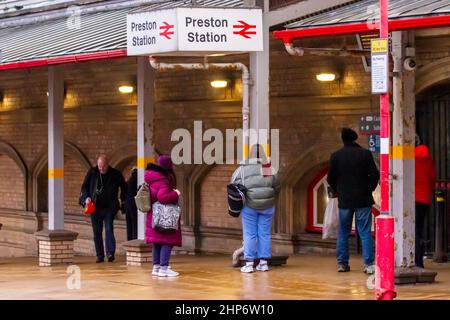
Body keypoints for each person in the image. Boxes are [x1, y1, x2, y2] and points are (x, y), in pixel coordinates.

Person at [327, 128, 379, 274]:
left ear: (343, 140)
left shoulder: (336, 156)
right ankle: (369, 265)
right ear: (355, 139)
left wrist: (339, 191)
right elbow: (375, 175)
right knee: (365, 231)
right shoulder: (365, 154)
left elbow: (330, 178)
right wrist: (369, 189)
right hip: (363, 199)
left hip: (345, 200)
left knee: (343, 231)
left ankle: (342, 263)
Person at [230, 144, 281, 273]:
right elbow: (277, 185)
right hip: (268, 206)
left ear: (249, 155)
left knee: (250, 234)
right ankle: (263, 264)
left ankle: (249, 264)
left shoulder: (242, 170)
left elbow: (233, 185)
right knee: (264, 234)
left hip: (249, 206)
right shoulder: (268, 168)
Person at [80, 154, 127, 263]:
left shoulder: (115, 174)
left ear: (107, 164)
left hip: (109, 207)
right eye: (99, 166)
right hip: (95, 207)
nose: (101, 168)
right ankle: (99, 255)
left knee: (108, 229)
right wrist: (87, 197)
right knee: (97, 232)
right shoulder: (92, 172)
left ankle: (110, 253)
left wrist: (121, 200)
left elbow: (124, 187)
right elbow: (84, 186)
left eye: (103, 166)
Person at [145, 155, 181, 277]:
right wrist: (175, 194)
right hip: (164, 217)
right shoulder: (162, 180)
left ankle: (156, 267)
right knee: (167, 241)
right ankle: (164, 268)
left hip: (154, 216)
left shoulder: (152, 178)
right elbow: (163, 197)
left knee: (157, 243)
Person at [415, 144, 436, 268]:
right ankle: (419, 261)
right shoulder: (429, 162)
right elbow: (432, 179)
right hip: (424, 201)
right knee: (419, 231)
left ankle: (414, 259)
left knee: (412, 231)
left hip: (410, 199)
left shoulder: (410, 161)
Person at [124, 167, 138, 241]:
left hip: (127, 204)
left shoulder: (128, 180)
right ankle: (135, 241)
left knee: (129, 225)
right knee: (135, 224)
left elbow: (123, 194)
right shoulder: (138, 180)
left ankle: (129, 241)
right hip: (135, 204)